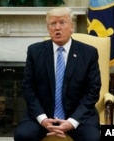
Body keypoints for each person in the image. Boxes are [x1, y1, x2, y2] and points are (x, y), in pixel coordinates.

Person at [14, 7, 101, 141]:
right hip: (43, 115)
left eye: (62, 22)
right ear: (48, 28)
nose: (57, 27)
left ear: (72, 27)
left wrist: (72, 122)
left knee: (92, 138)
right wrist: (43, 119)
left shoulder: (88, 53)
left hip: (79, 116)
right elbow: (28, 88)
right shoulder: (34, 51)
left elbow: (92, 91)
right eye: (53, 23)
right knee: (22, 135)